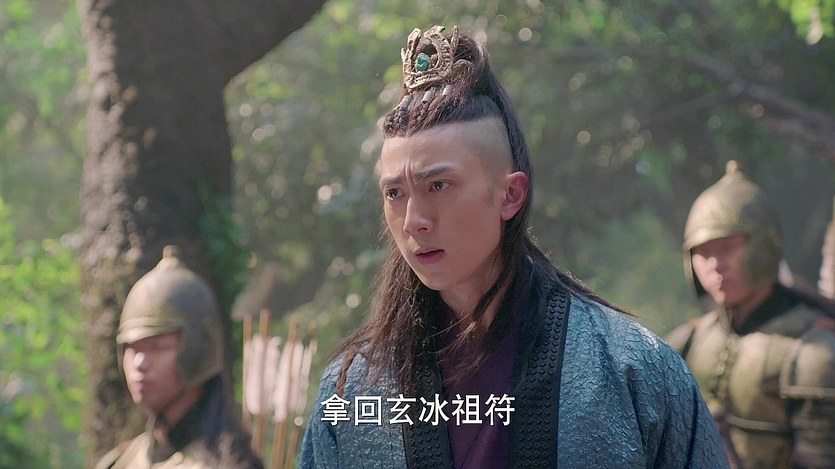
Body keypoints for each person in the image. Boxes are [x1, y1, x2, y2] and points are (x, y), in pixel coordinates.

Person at [298, 25, 727, 468]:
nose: (413, 221)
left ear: (510, 195)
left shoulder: (631, 368)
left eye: (438, 185)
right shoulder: (352, 390)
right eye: (395, 193)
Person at [666, 161, 835, 468]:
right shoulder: (687, 343)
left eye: (727, 248)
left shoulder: (814, 352)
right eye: (704, 252)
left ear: (765, 246)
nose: (715, 264)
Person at [96, 246, 264, 469]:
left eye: (157, 347)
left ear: (198, 349)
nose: (139, 363)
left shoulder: (231, 465)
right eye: (132, 349)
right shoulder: (121, 462)